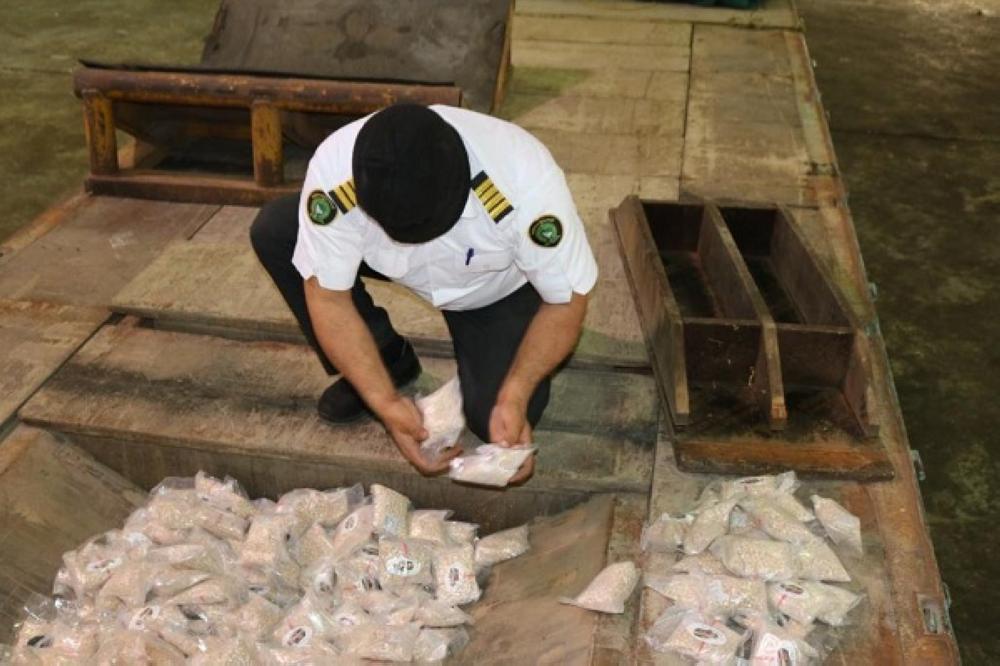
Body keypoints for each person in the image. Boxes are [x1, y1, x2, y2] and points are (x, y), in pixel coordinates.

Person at [250, 104, 598, 482]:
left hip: (493, 289)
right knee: (278, 230)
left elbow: (566, 301)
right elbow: (329, 298)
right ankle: (387, 358)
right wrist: (383, 401)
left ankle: (497, 371)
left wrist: (515, 392)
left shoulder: (522, 180)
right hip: (399, 267)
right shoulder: (337, 169)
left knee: (495, 420)